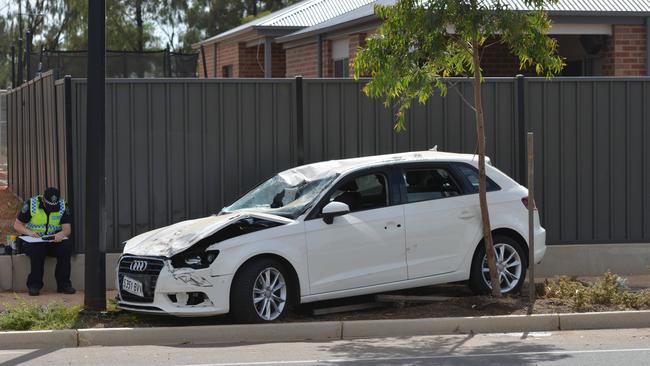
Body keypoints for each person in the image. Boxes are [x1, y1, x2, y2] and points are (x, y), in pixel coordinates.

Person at [13, 187, 75, 296]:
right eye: (50, 206)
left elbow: (67, 229)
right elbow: (17, 225)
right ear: (43, 200)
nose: (52, 208)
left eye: (54, 206)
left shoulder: (63, 206)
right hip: (33, 240)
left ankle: (64, 285)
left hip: (53, 241)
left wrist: (60, 234)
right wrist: (30, 233)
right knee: (37, 250)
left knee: (66, 247)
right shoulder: (32, 204)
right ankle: (34, 285)